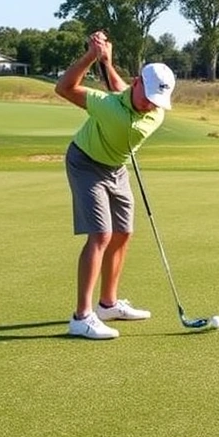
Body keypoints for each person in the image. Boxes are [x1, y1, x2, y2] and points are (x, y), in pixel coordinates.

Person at [54, 31, 176, 340]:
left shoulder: (138, 112)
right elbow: (63, 87)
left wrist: (101, 59)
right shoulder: (110, 107)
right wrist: (96, 59)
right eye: (148, 97)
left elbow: (117, 91)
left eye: (156, 101)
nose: (150, 105)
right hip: (85, 162)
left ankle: (107, 304)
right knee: (101, 235)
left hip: (116, 167)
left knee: (123, 232)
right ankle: (81, 317)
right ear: (137, 82)